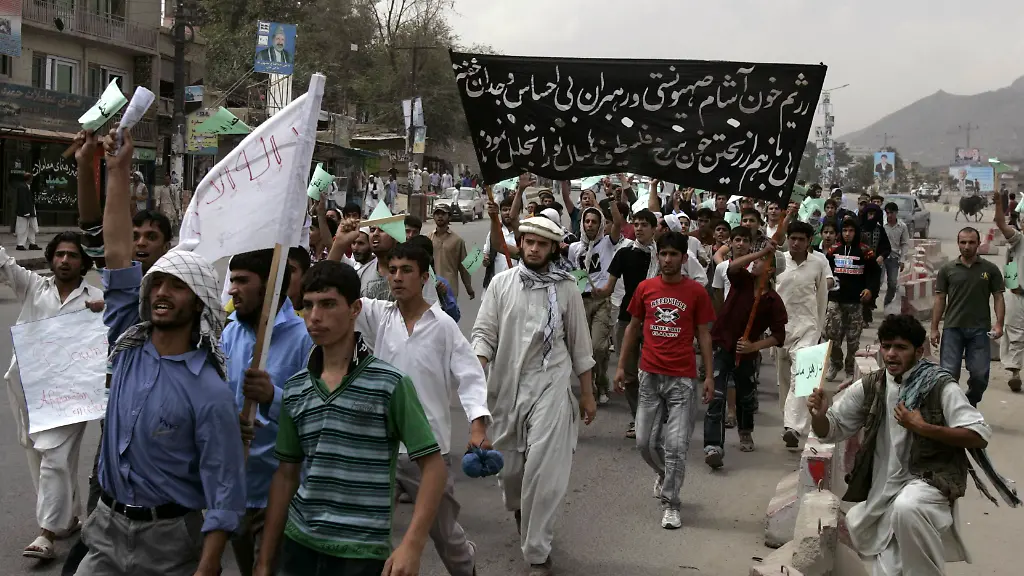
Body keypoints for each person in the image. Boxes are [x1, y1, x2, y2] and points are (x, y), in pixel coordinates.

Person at [76, 127, 246, 576]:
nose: (162, 293)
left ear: (201, 302)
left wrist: (208, 564)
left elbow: (225, 490)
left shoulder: (210, 391)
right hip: (105, 530)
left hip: (171, 544)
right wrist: (116, 170)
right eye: (158, 284)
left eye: (177, 286)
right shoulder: (127, 348)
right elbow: (116, 252)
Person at [253, 261, 447, 576]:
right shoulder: (296, 388)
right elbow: (286, 476)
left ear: (355, 308)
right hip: (299, 544)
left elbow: (433, 467)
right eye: (307, 306)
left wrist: (412, 543)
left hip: (362, 552)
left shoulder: (390, 384)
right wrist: (265, 560)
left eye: (328, 304)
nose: (315, 317)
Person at [63, 129, 176, 576]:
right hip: (119, 422)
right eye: (136, 234)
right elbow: (96, 224)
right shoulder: (123, 284)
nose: (143, 242)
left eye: (152, 235)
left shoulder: (182, 289)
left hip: (167, 430)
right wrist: (86, 164)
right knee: (102, 517)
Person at [807, 315, 991, 575]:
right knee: (889, 567)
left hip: (929, 484)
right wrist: (818, 415)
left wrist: (923, 427)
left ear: (919, 351)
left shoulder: (939, 386)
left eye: (900, 348)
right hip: (882, 492)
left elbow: (978, 434)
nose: (891, 354)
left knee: (908, 507)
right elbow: (832, 429)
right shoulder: (873, 385)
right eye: (886, 346)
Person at [471, 216, 597, 576]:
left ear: (554, 248)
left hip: (551, 387)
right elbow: (484, 334)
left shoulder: (568, 288)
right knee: (511, 475)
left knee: (543, 471)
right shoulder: (501, 284)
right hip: (506, 388)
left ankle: (538, 554)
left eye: (542, 244)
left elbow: (580, 345)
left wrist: (586, 394)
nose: (534, 248)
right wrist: (475, 369)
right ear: (521, 242)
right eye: (529, 241)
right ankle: (523, 512)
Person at [356, 241, 490, 576]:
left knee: (445, 534)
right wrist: (340, 243)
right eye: (393, 270)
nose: (397, 278)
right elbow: (341, 301)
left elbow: (470, 375)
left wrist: (477, 426)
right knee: (369, 532)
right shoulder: (379, 317)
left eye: (406, 271)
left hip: (428, 451)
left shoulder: (443, 325)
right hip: (383, 446)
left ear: (424, 276)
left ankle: (467, 568)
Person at [4, 232, 99, 561]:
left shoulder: (97, 298)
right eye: (59, 254)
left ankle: (46, 533)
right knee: (42, 456)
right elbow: (4, 262)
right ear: (51, 257)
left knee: (54, 457)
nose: (64, 260)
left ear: (84, 262)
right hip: (32, 390)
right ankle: (69, 517)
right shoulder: (33, 287)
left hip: (73, 394)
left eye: (72, 255)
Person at [221, 250, 313, 576]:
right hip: (234, 490)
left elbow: (318, 414)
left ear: (271, 286)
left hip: (281, 494)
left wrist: (273, 397)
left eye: (242, 281)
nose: (233, 289)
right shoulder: (228, 333)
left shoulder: (305, 340)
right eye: (232, 280)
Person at [615, 231, 715, 528]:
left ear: (685, 259)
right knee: (644, 443)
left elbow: (704, 334)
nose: (668, 259)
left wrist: (708, 375)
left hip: (682, 380)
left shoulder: (696, 293)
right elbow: (632, 328)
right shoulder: (645, 288)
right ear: (657, 257)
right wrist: (621, 367)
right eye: (663, 254)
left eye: (674, 254)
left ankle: (672, 503)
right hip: (649, 377)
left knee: (676, 447)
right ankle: (663, 473)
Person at [705, 238, 786, 460]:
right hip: (723, 345)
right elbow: (732, 266)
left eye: (762, 261)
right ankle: (713, 446)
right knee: (717, 395)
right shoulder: (742, 280)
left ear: (770, 270)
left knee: (746, 396)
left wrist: (754, 346)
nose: (756, 263)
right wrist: (761, 253)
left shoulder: (773, 300)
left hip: (747, 353)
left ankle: (745, 431)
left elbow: (779, 336)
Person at [594, 209, 659, 438]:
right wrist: (590, 289)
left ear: (654, 228)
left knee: (654, 372)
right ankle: (638, 419)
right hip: (627, 318)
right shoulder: (624, 253)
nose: (639, 228)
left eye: (644, 224)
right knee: (629, 373)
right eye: (636, 224)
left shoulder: (662, 256)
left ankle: (656, 418)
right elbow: (608, 288)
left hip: (656, 320)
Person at [931, 228, 1005, 407]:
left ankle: (970, 403)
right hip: (953, 328)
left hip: (980, 329)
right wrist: (934, 328)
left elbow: (999, 296)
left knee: (980, 375)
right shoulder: (947, 270)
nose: (967, 246)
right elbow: (940, 298)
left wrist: (999, 324)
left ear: (978, 244)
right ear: (958, 244)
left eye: (971, 242)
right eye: (963, 242)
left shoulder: (990, 269)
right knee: (948, 374)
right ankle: (952, 409)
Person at [776, 221, 831, 448]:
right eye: (793, 238)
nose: (796, 243)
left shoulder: (818, 263)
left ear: (809, 241)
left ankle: (794, 427)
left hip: (808, 326)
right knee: (786, 380)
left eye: (801, 239)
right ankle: (791, 422)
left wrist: (818, 327)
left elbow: (822, 298)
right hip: (781, 328)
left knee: (804, 374)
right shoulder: (778, 261)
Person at [569, 203, 623, 405]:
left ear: (601, 225)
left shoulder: (608, 243)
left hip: (601, 301)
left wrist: (613, 199)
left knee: (598, 347)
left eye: (594, 221)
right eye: (587, 221)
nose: (590, 225)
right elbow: (575, 273)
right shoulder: (575, 248)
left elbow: (617, 222)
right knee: (583, 349)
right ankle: (589, 386)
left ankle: (602, 382)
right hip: (581, 301)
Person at [825, 217, 880, 382]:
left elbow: (874, 274)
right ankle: (835, 362)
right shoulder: (833, 250)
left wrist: (870, 289)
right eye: (844, 231)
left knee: (853, 340)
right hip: (835, 300)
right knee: (830, 334)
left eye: (851, 231)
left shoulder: (865, 251)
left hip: (855, 303)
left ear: (856, 233)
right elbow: (825, 270)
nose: (847, 234)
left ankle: (850, 369)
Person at [994, 190, 1024, 392]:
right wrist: (998, 204)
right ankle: (1015, 373)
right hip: (1018, 296)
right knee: (1016, 333)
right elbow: (1002, 225)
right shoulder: (1019, 239)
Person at [429, 204, 476, 300]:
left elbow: (464, 268)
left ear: (449, 216)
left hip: (449, 288)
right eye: (437, 214)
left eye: (443, 214)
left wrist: (469, 288)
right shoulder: (428, 238)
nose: (440, 216)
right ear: (433, 216)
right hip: (430, 288)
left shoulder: (457, 241)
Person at [882, 202, 911, 308]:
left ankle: (887, 304)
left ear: (896, 213)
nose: (889, 215)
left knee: (893, 284)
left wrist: (902, 260)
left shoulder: (902, 227)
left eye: (892, 213)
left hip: (894, 258)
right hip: (881, 257)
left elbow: (904, 244)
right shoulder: (881, 224)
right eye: (887, 213)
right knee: (878, 283)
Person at [14, 171, 40, 251]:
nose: (32, 180)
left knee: (31, 228)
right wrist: (26, 212)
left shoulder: (27, 187)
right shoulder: (22, 187)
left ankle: (32, 244)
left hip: (30, 211)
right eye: (31, 179)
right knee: (23, 228)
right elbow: (22, 201)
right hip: (24, 212)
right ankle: (20, 244)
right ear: (28, 179)